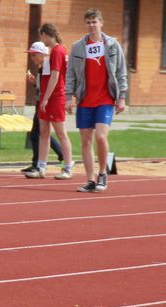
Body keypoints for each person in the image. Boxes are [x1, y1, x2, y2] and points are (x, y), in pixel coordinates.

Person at [65, 8, 127, 192]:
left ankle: (102, 173)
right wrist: (68, 97)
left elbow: (121, 71)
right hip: (85, 99)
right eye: (88, 22)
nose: (92, 25)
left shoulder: (112, 45)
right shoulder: (78, 46)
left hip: (105, 98)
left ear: (101, 23)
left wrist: (122, 97)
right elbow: (70, 74)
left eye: (94, 22)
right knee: (86, 140)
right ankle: (90, 179)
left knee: (100, 136)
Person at [25, 23, 74, 180]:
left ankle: (68, 167)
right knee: (44, 133)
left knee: (60, 133)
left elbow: (55, 76)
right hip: (47, 97)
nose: (42, 40)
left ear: (46, 35)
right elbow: (47, 76)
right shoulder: (52, 52)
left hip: (55, 97)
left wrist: (45, 98)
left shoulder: (58, 50)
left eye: (41, 36)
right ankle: (41, 167)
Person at [21, 42, 65, 175]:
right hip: (41, 103)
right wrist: (35, 82)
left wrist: (44, 100)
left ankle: (39, 163)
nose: (32, 58)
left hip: (45, 104)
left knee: (40, 134)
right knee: (41, 133)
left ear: (41, 54)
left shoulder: (47, 67)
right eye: (31, 55)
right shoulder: (42, 68)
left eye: (34, 55)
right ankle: (50, 157)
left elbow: (52, 83)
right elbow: (42, 86)